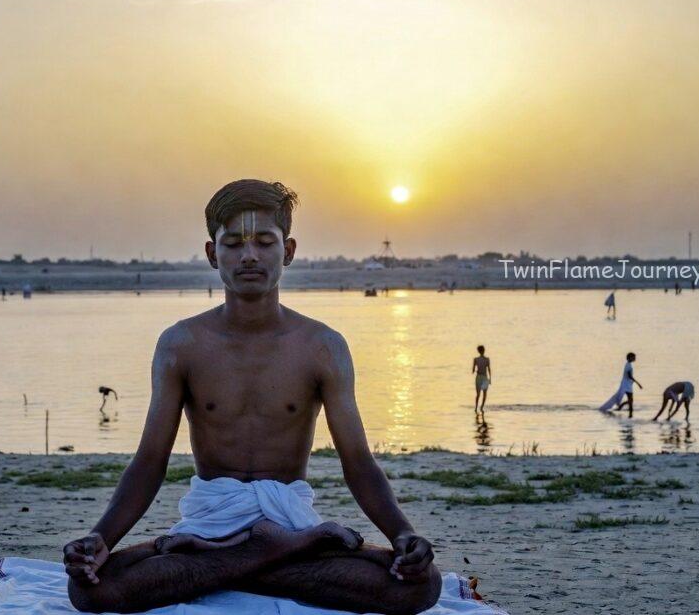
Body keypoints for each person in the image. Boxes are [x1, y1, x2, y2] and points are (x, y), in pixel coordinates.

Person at [63, 180, 442, 615]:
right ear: (212, 255)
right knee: (88, 590)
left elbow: (358, 462)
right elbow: (150, 461)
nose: (249, 256)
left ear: (289, 250)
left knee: (421, 586)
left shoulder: (322, 346)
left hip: (285, 517)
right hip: (212, 519)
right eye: (233, 244)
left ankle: (193, 552)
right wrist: (102, 539)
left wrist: (401, 535)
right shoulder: (181, 343)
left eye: (265, 242)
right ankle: (277, 551)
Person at [599, 352, 643, 416]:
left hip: (627, 384)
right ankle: (629, 412)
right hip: (626, 385)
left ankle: (626, 410)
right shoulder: (628, 365)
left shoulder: (628, 364)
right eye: (634, 357)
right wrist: (638, 383)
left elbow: (629, 376)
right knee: (631, 400)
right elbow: (629, 376)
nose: (635, 358)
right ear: (630, 358)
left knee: (631, 400)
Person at [472, 345, 491, 413]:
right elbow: (489, 369)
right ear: (484, 350)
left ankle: (476, 407)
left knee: (478, 394)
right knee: (484, 394)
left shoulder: (476, 359)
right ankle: (481, 407)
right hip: (485, 377)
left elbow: (473, 370)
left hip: (479, 377)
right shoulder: (487, 359)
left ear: (478, 351)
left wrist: (474, 370)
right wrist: (490, 379)